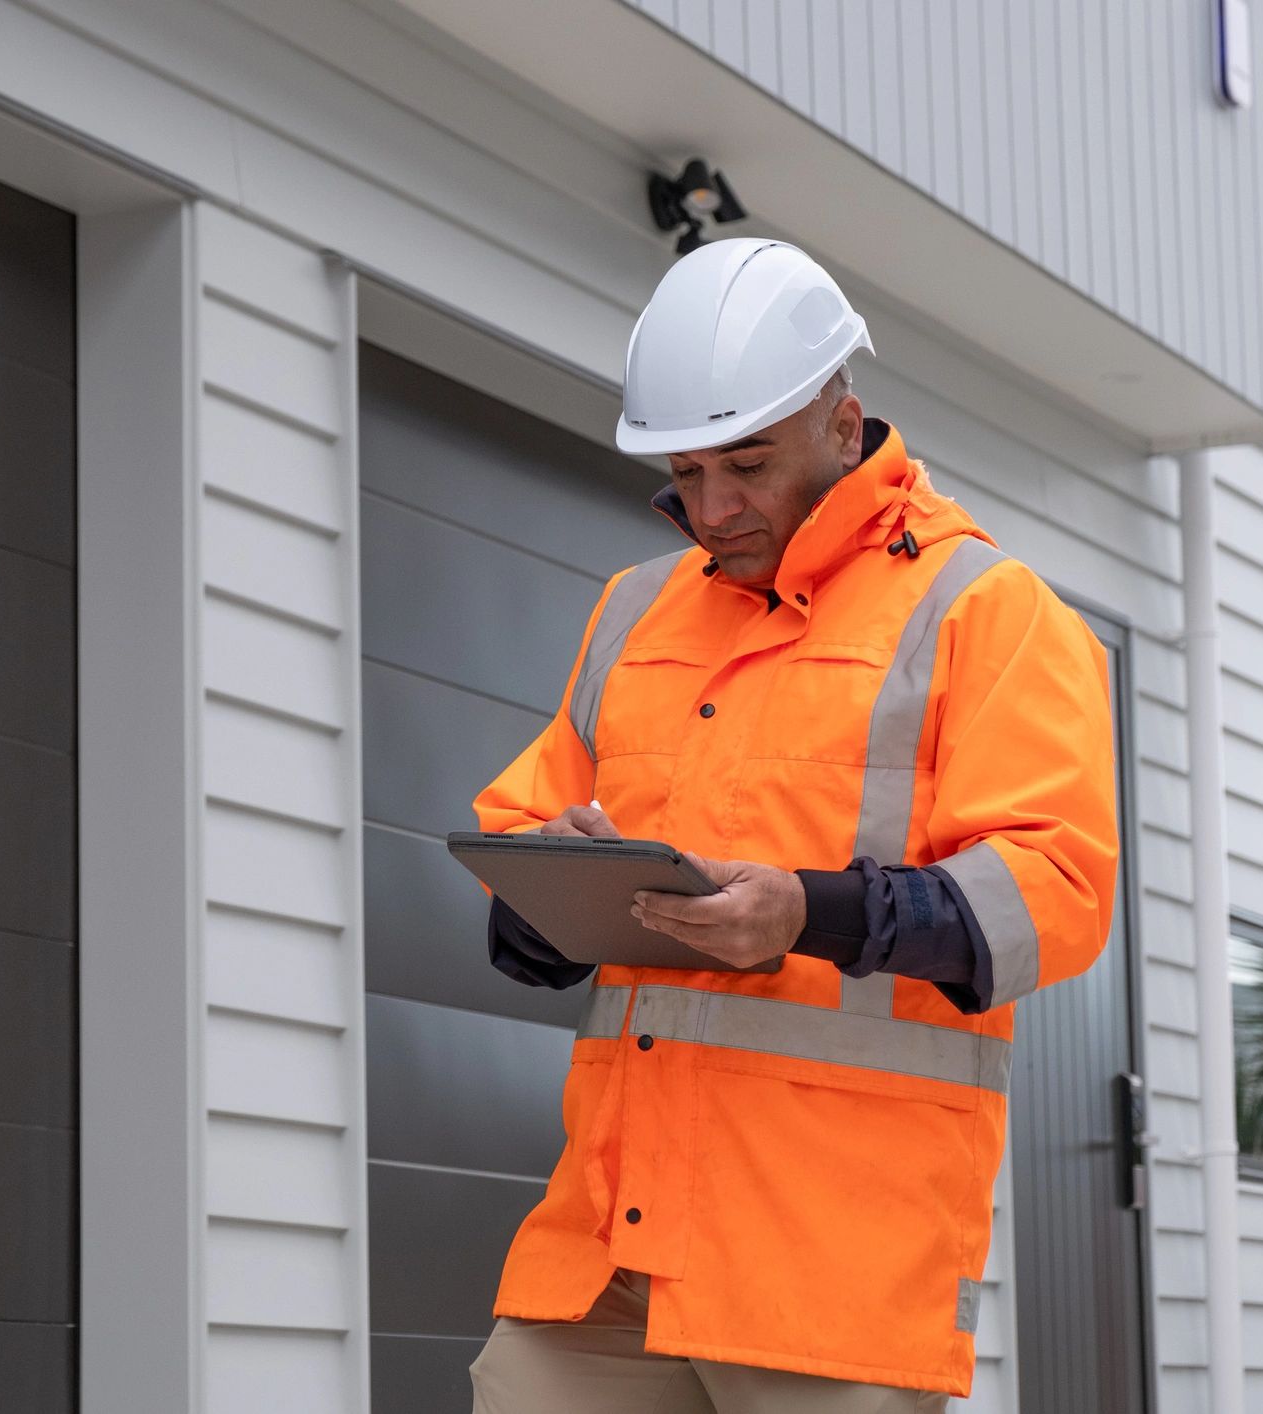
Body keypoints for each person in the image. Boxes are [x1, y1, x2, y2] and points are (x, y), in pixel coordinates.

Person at [465, 239, 1120, 1412]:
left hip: (833, 1273)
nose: (713, 509)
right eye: (687, 471)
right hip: (609, 1257)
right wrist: (551, 892)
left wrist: (803, 912)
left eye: (748, 465)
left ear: (842, 421)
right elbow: (521, 863)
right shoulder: (634, 611)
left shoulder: (986, 610)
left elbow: (1058, 892)